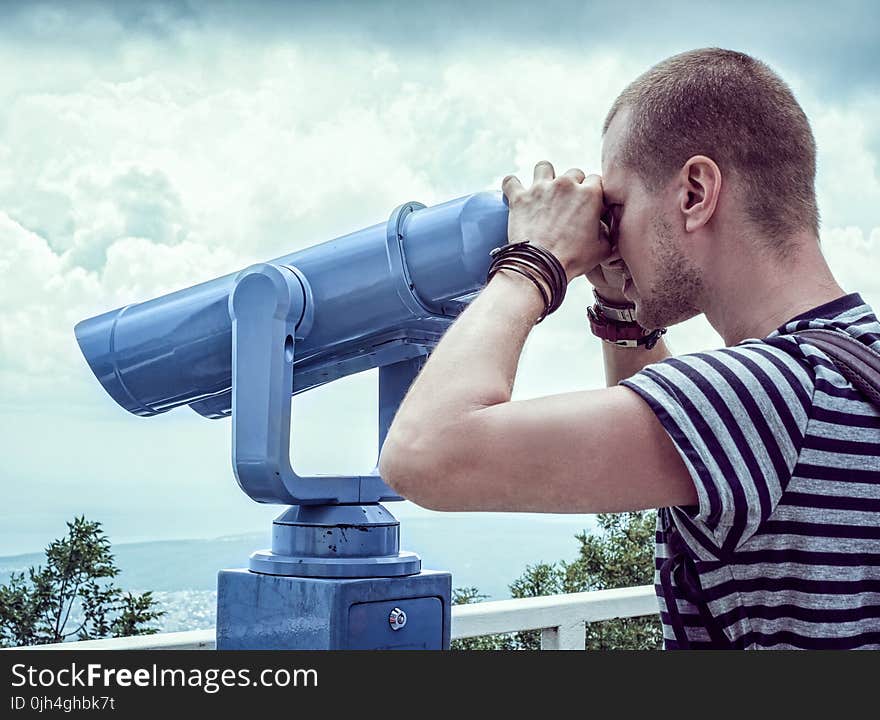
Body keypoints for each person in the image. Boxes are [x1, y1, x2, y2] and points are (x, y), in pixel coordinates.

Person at [378, 47, 880, 650]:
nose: (606, 235)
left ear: (695, 192)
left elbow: (422, 455)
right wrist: (622, 309)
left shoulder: (771, 395)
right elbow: (693, 451)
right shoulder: (845, 366)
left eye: (615, 209)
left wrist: (533, 263)